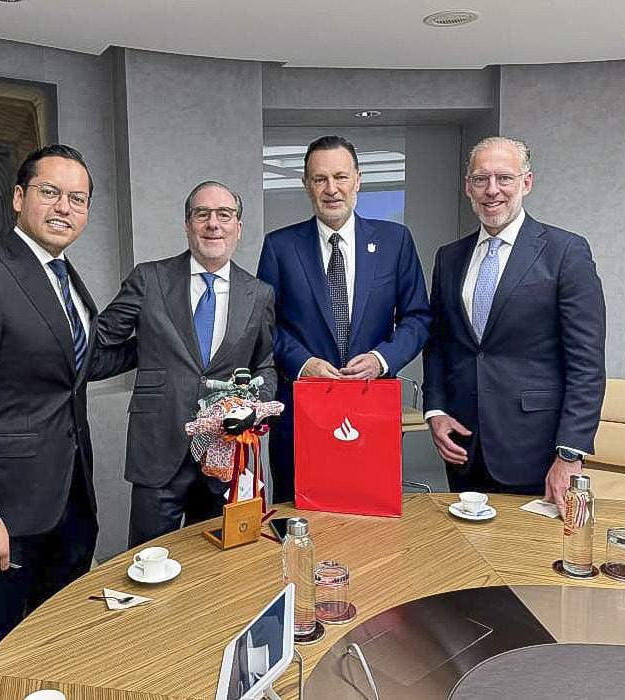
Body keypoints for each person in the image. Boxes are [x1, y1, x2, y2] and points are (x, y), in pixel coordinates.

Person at [0, 144, 137, 671]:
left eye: (78, 198)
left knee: (55, 636)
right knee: (0, 649)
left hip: (68, 495)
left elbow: (79, 364)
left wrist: (161, 342)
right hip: (7, 508)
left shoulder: (64, 276)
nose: (65, 207)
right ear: (19, 198)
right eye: (50, 192)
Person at [423, 136, 606, 514]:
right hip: (464, 446)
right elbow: (439, 344)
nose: (492, 190)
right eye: (481, 179)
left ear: (527, 182)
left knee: (530, 550)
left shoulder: (565, 252)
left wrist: (570, 454)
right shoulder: (449, 257)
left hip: (537, 450)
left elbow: (586, 364)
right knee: (466, 547)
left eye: (504, 178)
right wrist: (436, 410)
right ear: (468, 187)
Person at [94, 181, 276, 547]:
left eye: (224, 215)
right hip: (159, 447)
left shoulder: (258, 293)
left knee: (216, 561)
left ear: (238, 227)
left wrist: (253, 409)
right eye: (202, 214)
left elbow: (266, 365)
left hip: (224, 454)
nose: (213, 223)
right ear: (187, 224)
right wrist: (144, 349)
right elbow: (101, 340)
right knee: (148, 558)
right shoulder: (149, 279)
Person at [257, 135, 431, 503]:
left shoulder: (395, 241)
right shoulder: (279, 246)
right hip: (301, 414)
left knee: (370, 516)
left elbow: (417, 317)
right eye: (320, 179)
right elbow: (265, 326)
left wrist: (381, 359)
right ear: (306, 185)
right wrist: (303, 363)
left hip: (372, 409)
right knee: (299, 516)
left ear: (358, 180)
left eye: (340, 177)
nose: (331, 189)